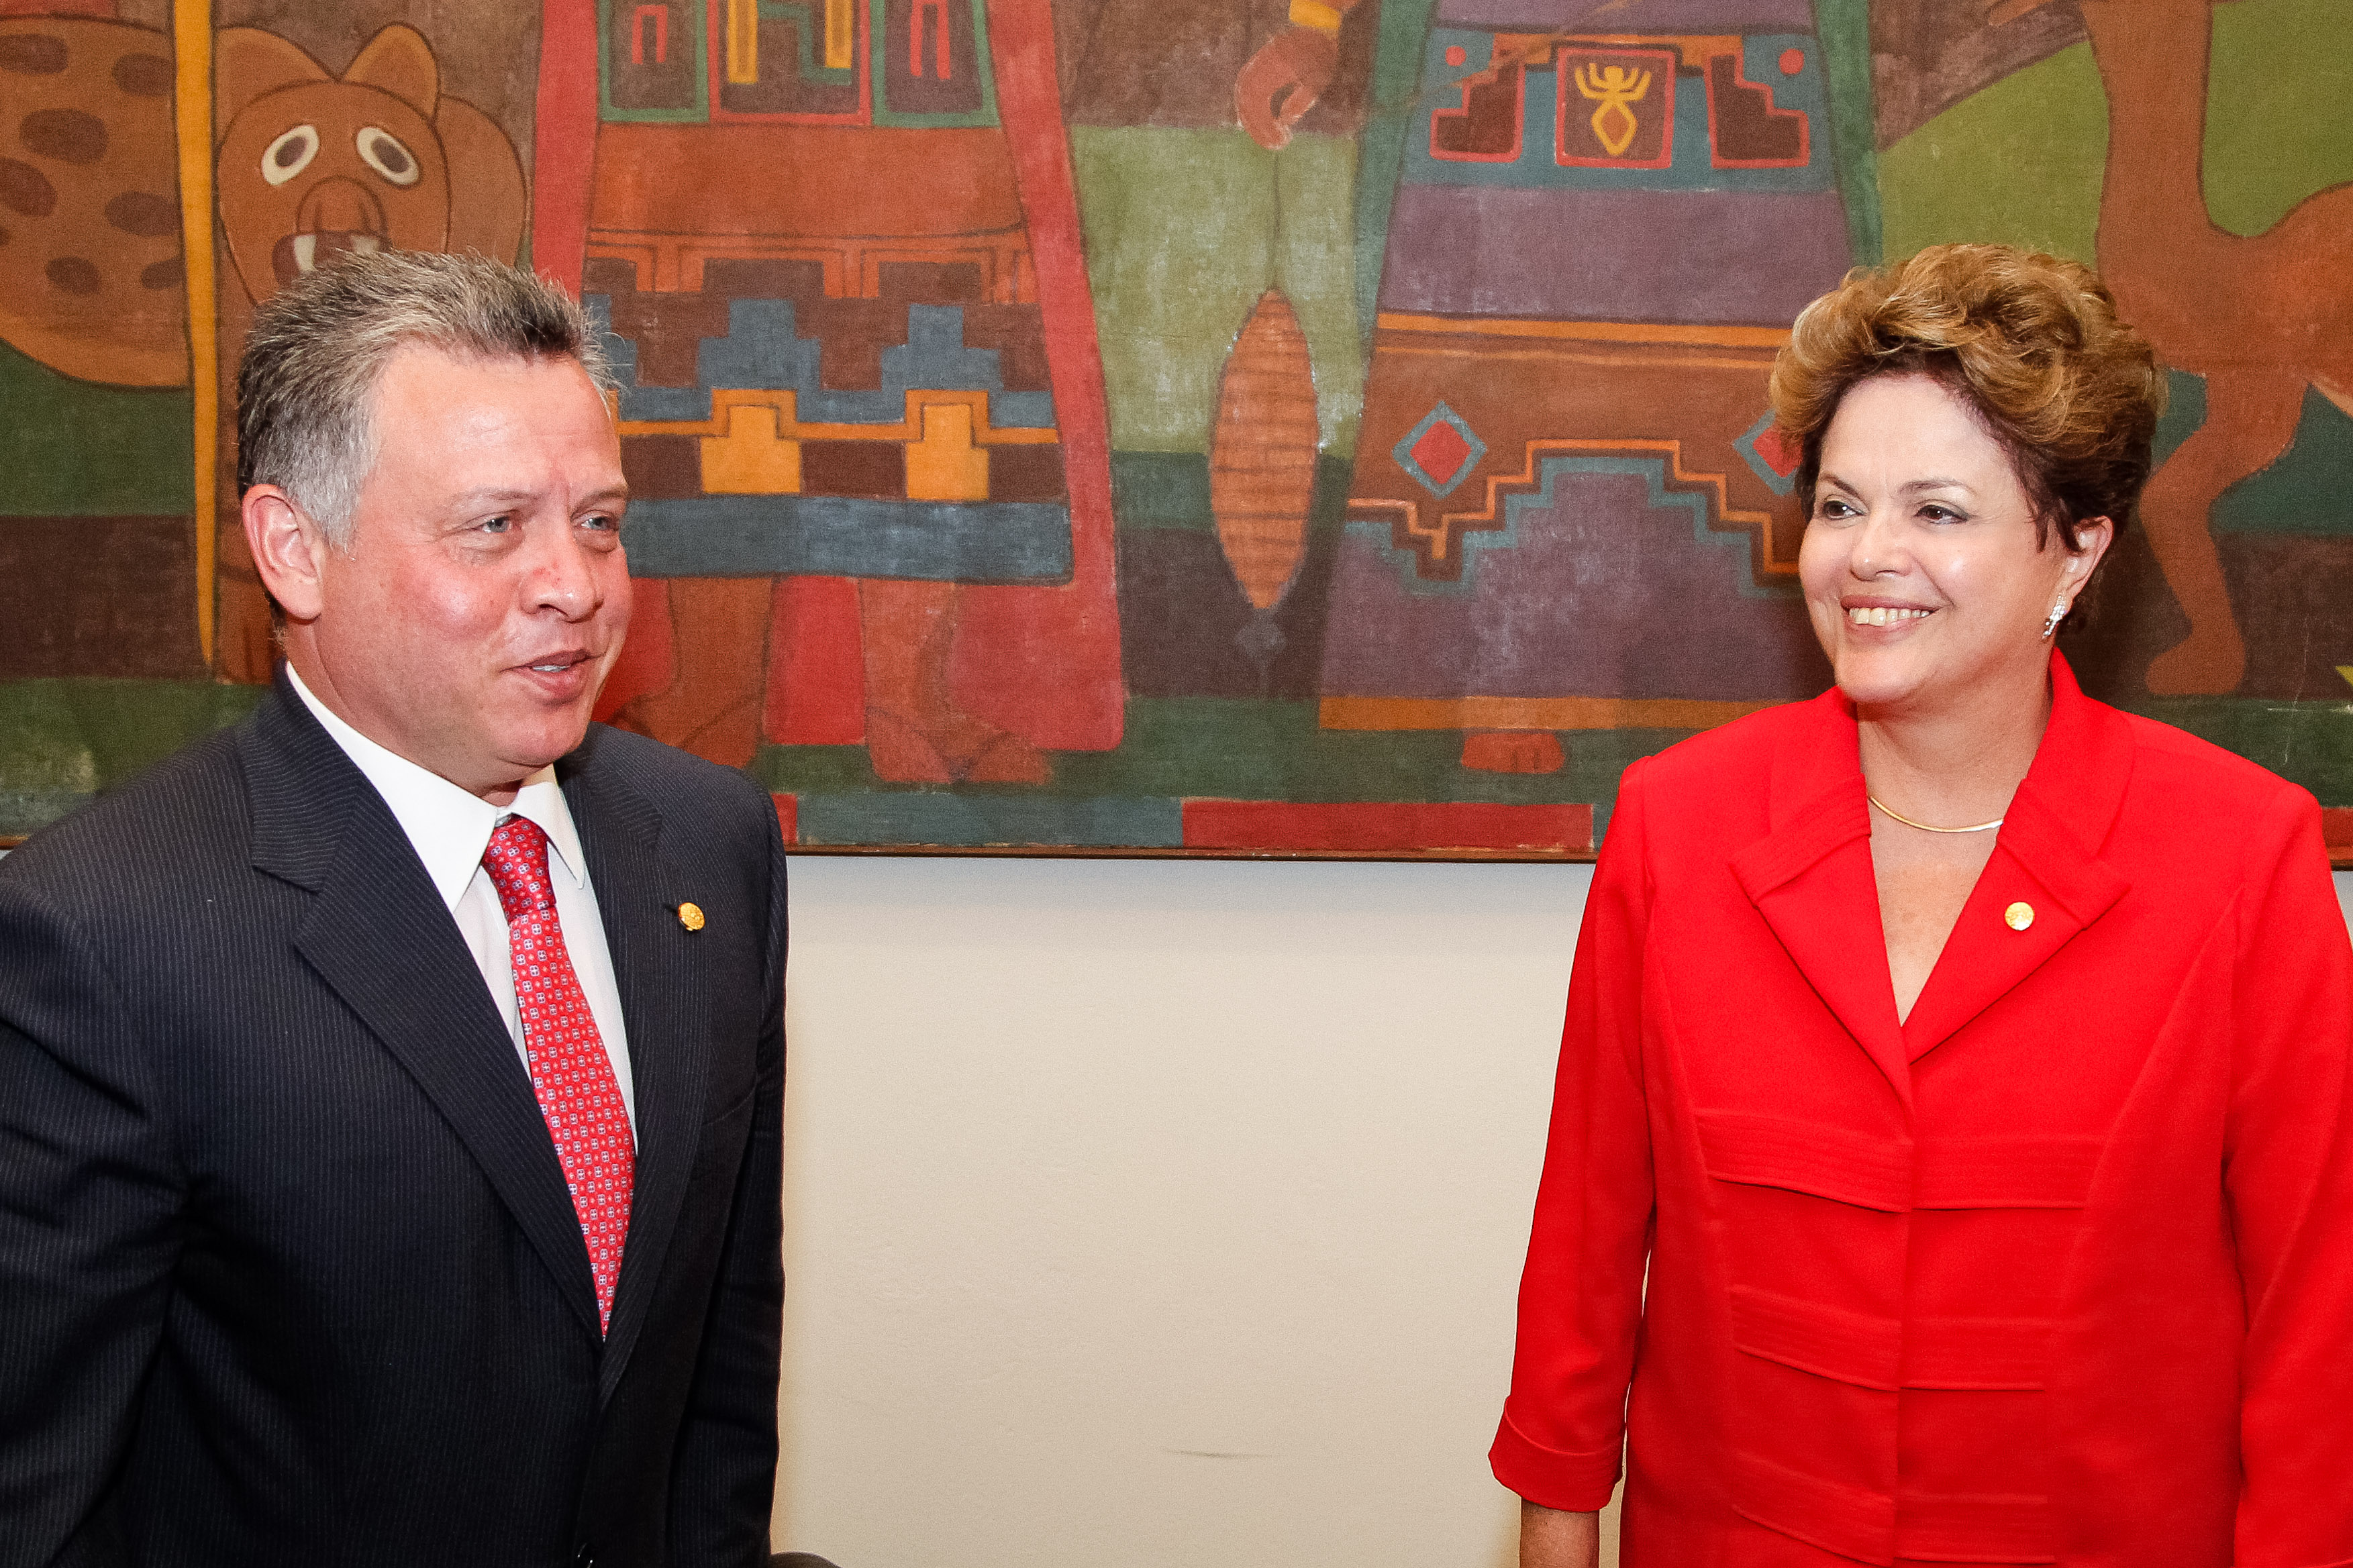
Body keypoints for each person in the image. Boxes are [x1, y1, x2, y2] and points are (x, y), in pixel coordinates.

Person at [1493, 245, 2353, 1568]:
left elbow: (2320, 1323)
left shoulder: (2240, 859)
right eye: (1840, 505)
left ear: (2074, 549)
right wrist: (1557, 1524)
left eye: (1937, 511)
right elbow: (1586, 1245)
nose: (1866, 557)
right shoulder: (1681, 823)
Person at [0, 252, 787, 1566]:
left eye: (598, 520)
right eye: (495, 526)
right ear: (295, 549)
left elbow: (719, 1362)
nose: (575, 586)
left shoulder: (709, 844)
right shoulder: (100, 936)